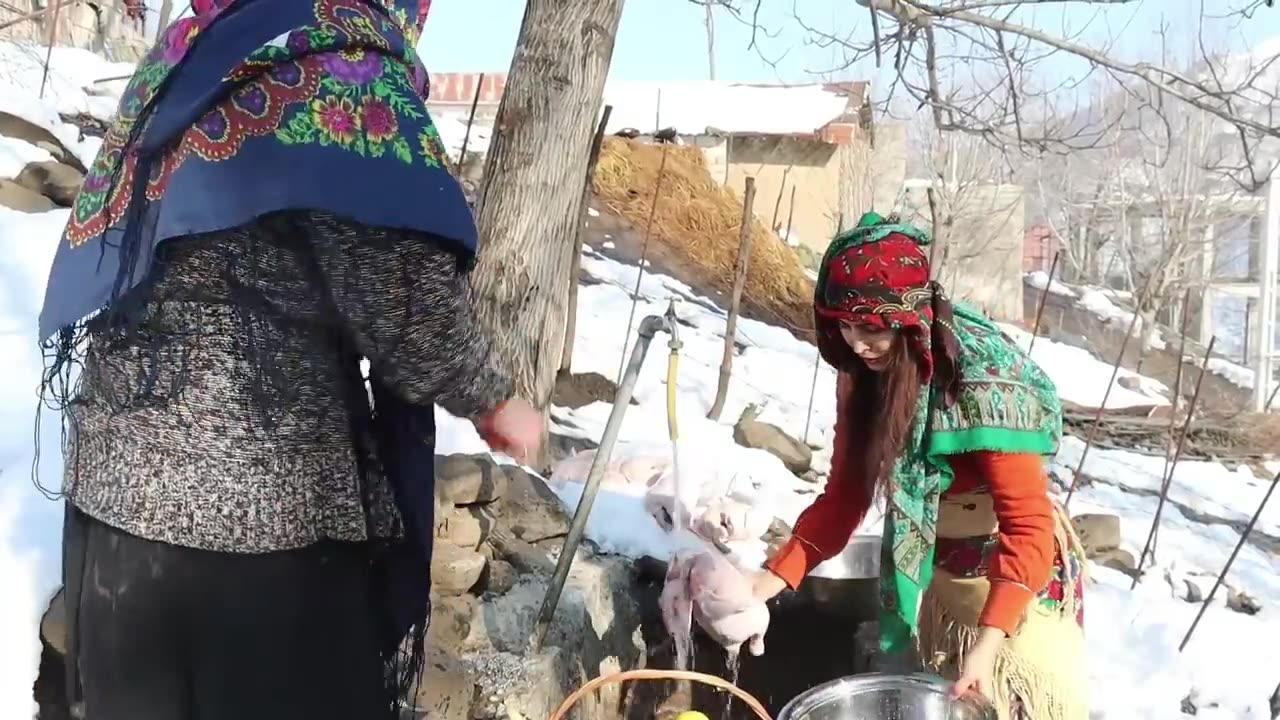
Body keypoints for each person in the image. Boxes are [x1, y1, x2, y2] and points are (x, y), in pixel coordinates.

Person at [36, 1, 542, 719]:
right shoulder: (344, 63)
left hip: (117, 494)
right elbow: (401, 291)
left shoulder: (200, 42)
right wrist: (495, 400)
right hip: (259, 521)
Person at [750, 213, 1087, 720]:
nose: (856, 342)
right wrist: (768, 583)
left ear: (909, 320)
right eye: (843, 325)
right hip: (948, 583)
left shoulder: (982, 384)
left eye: (870, 328)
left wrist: (989, 641)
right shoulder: (864, 375)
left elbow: (1028, 526)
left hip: (1021, 585)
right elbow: (845, 498)